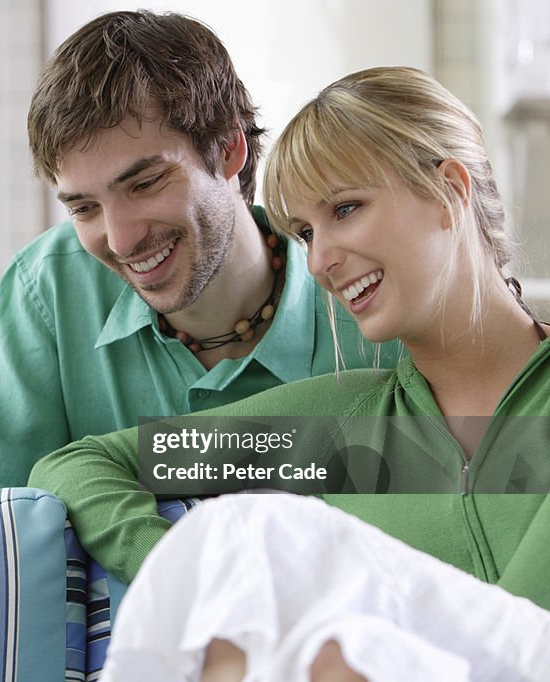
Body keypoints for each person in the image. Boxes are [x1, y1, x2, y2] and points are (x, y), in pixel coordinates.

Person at [28, 66, 550, 680]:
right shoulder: (337, 435)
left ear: (448, 192)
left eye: (346, 209)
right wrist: (183, 569)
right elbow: (84, 464)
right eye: (304, 232)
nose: (322, 260)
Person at [0, 10, 396, 503]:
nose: (119, 241)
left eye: (144, 184)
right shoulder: (50, 285)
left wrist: (109, 467)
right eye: (84, 207)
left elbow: (466, 467)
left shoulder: (363, 281)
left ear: (228, 151)